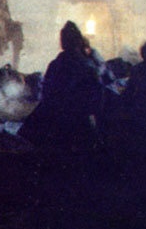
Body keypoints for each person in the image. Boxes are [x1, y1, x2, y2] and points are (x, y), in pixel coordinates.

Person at [18, 21, 108, 152]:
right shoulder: (88, 66)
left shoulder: (56, 65)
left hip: (56, 124)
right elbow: (98, 98)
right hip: (79, 125)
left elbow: (47, 94)